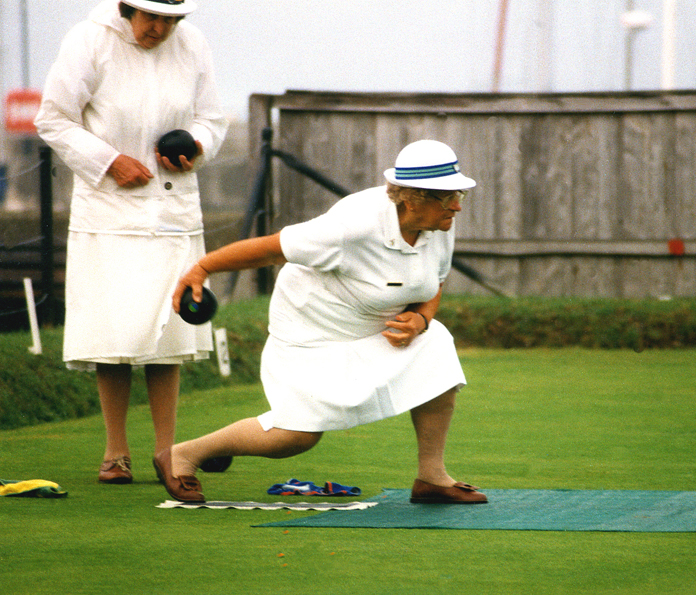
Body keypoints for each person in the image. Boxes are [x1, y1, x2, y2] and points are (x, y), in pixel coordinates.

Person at [156, 140, 487, 504]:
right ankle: (184, 454)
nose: (456, 205)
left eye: (458, 194)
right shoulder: (351, 226)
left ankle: (432, 478)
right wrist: (202, 269)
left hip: (374, 328)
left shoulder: (440, 223)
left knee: (435, 343)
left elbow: (432, 283)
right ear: (411, 198)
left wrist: (422, 318)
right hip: (309, 331)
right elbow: (270, 249)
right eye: (445, 197)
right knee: (294, 438)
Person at [34, 0, 228, 485]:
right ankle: (115, 451)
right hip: (109, 208)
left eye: (170, 19)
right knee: (112, 331)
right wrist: (108, 160)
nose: (159, 29)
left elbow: (212, 119)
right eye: (151, 17)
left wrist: (196, 145)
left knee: (168, 331)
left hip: (171, 206)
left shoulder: (192, 45)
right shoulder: (89, 40)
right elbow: (54, 118)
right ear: (126, 9)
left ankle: (169, 451)